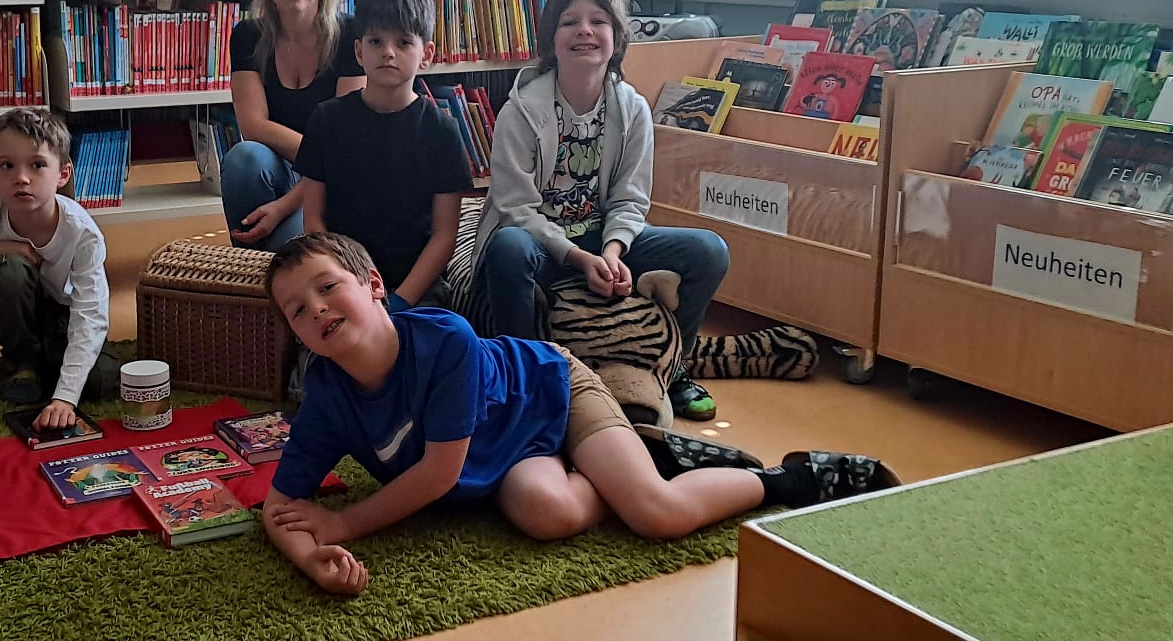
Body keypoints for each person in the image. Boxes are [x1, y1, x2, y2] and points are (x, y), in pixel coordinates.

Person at [259, 233, 896, 596]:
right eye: (296, 310)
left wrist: (344, 524)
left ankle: (791, 478)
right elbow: (279, 507)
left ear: (374, 285)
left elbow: (439, 473)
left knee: (657, 513)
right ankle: (643, 452)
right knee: (550, 513)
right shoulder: (326, 396)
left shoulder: (444, 337)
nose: (316, 310)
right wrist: (310, 558)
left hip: (553, 390)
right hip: (503, 453)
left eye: (327, 287)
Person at [478, 0, 729, 422]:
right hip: (542, 244)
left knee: (710, 250)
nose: (585, 31)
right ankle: (527, 371)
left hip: (601, 238)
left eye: (599, 21)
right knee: (507, 247)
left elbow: (631, 199)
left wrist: (612, 254)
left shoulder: (633, 109)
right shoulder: (520, 111)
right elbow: (514, 208)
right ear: (551, 39)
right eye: (569, 21)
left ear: (617, 38)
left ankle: (673, 367)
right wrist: (578, 259)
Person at [0, 108, 119, 425]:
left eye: (37, 165)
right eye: (7, 166)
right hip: (10, 307)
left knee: (101, 380)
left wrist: (65, 398)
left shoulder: (83, 233)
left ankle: (46, 365)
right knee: (9, 271)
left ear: (63, 174)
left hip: (63, 318)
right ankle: (24, 360)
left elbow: (90, 315)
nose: (21, 178)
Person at [296, 0, 471, 311]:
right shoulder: (327, 120)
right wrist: (348, 285)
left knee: (443, 334)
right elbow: (314, 221)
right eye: (376, 41)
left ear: (426, 54)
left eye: (403, 42)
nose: (388, 52)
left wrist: (401, 300)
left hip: (416, 285)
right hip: (342, 278)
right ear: (359, 51)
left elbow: (444, 235)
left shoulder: (442, 130)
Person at [222, 0, 365, 250]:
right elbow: (253, 127)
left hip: (338, 181)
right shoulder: (247, 35)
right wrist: (322, 153)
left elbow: (345, 147)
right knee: (244, 158)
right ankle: (246, 271)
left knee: (289, 249)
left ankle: (271, 269)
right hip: (282, 170)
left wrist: (283, 207)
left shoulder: (353, 36)